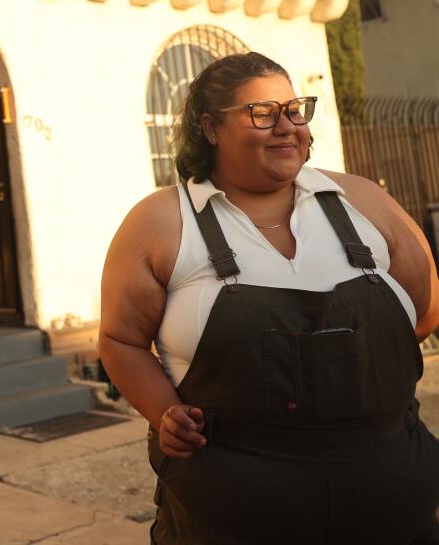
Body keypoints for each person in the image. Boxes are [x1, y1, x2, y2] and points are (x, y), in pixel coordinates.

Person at [99, 52, 439, 544]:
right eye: (263, 113)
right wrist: (164, 412)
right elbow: (119, 340)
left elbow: (423, 311)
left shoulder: (364, 201)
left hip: (395, 509)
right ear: (211, 128)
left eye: (295, 109)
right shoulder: (160, 222)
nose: (287, 126)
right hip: (230, 519)